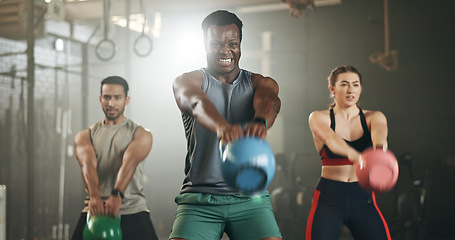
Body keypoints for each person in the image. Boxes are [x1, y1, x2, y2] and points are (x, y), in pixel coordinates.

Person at [170, 10, 282, 240]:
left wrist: (260, 121)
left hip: (251, 198)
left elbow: (269, 101)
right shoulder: (187, 81)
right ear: (204, 44)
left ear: (240, 45)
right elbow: (197, 103)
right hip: (199, 199)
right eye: (216, 44)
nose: (225, 50)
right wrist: (221, 126)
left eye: (233, 43)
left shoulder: (260, 82)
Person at [305, 65, 392, 240]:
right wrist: (358, 157)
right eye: (344, 84)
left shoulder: (374, 117)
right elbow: (331, 139)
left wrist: (379, 157)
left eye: (355, 84)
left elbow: (380, 140)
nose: (351, 89)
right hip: (329, 197)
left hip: (363, 197)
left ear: (361, 88)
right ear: (332, 89)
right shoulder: (318, 117)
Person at [71, 76, 158, 240]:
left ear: (127, 100)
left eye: (117, 98)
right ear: (100, 99)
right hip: (95, 209)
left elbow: (129, 163)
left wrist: (117, 194)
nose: (111, 103)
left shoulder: (141, 134)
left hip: (132, 209)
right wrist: (95, 196)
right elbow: (87, 164)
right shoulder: (85, 136)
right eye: (107, 97)